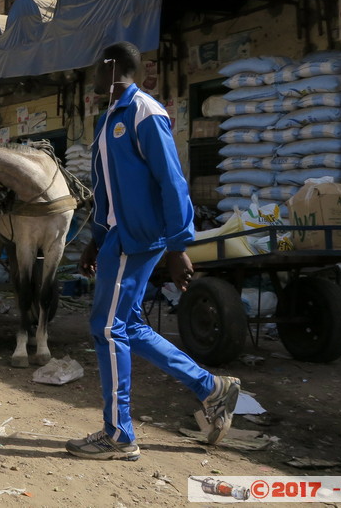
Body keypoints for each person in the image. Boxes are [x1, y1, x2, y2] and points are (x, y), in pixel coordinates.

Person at [68, 41, 240, 462]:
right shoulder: (109, 118)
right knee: (126, 325)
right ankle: (211, 388)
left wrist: (179, 246)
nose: (91, 78)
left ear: (111, 66)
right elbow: (107, 187)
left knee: (107, 329)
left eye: (95, 68)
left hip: (137, 239)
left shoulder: (146, 112)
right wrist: (96, 236)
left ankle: (119, 435)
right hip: (116, 238)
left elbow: (172, 181)